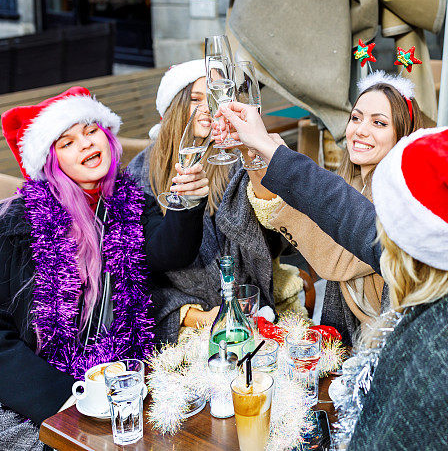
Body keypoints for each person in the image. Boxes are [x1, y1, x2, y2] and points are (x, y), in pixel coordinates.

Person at [214, 103, 448, 448]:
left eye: (387, 225)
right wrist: (269, 149)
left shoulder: (429, 361)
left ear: (403, 245)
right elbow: (350, 214)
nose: (378, 230)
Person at [0, 88, 207, 448]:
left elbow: (167, 254)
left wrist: (186, 202)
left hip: (120, 375)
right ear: (50, 162)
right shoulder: (18, 225)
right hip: (41, 391)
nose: (85, 144)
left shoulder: (128, 202)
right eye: (66, 142)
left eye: (91, 130)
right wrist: (69, 399)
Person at [247, 71, 422, 345]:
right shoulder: (349, 183)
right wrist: (256, 158)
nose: (360, 130)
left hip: (393, 347)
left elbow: (335, 258)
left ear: (403, 135)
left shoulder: (400, 201)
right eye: (356, 117)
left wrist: (277, 160)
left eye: (379, 122)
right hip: (354, 339)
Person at [126, 61, 285, 344]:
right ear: (174, 109)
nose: (206, 108)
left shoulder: (236, 157)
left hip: (247, 300)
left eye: (213, 98)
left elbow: (271, 240)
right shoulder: (142, 171)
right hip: (182, 314)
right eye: (195, 99)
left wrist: (258, 162)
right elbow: (151, 259)